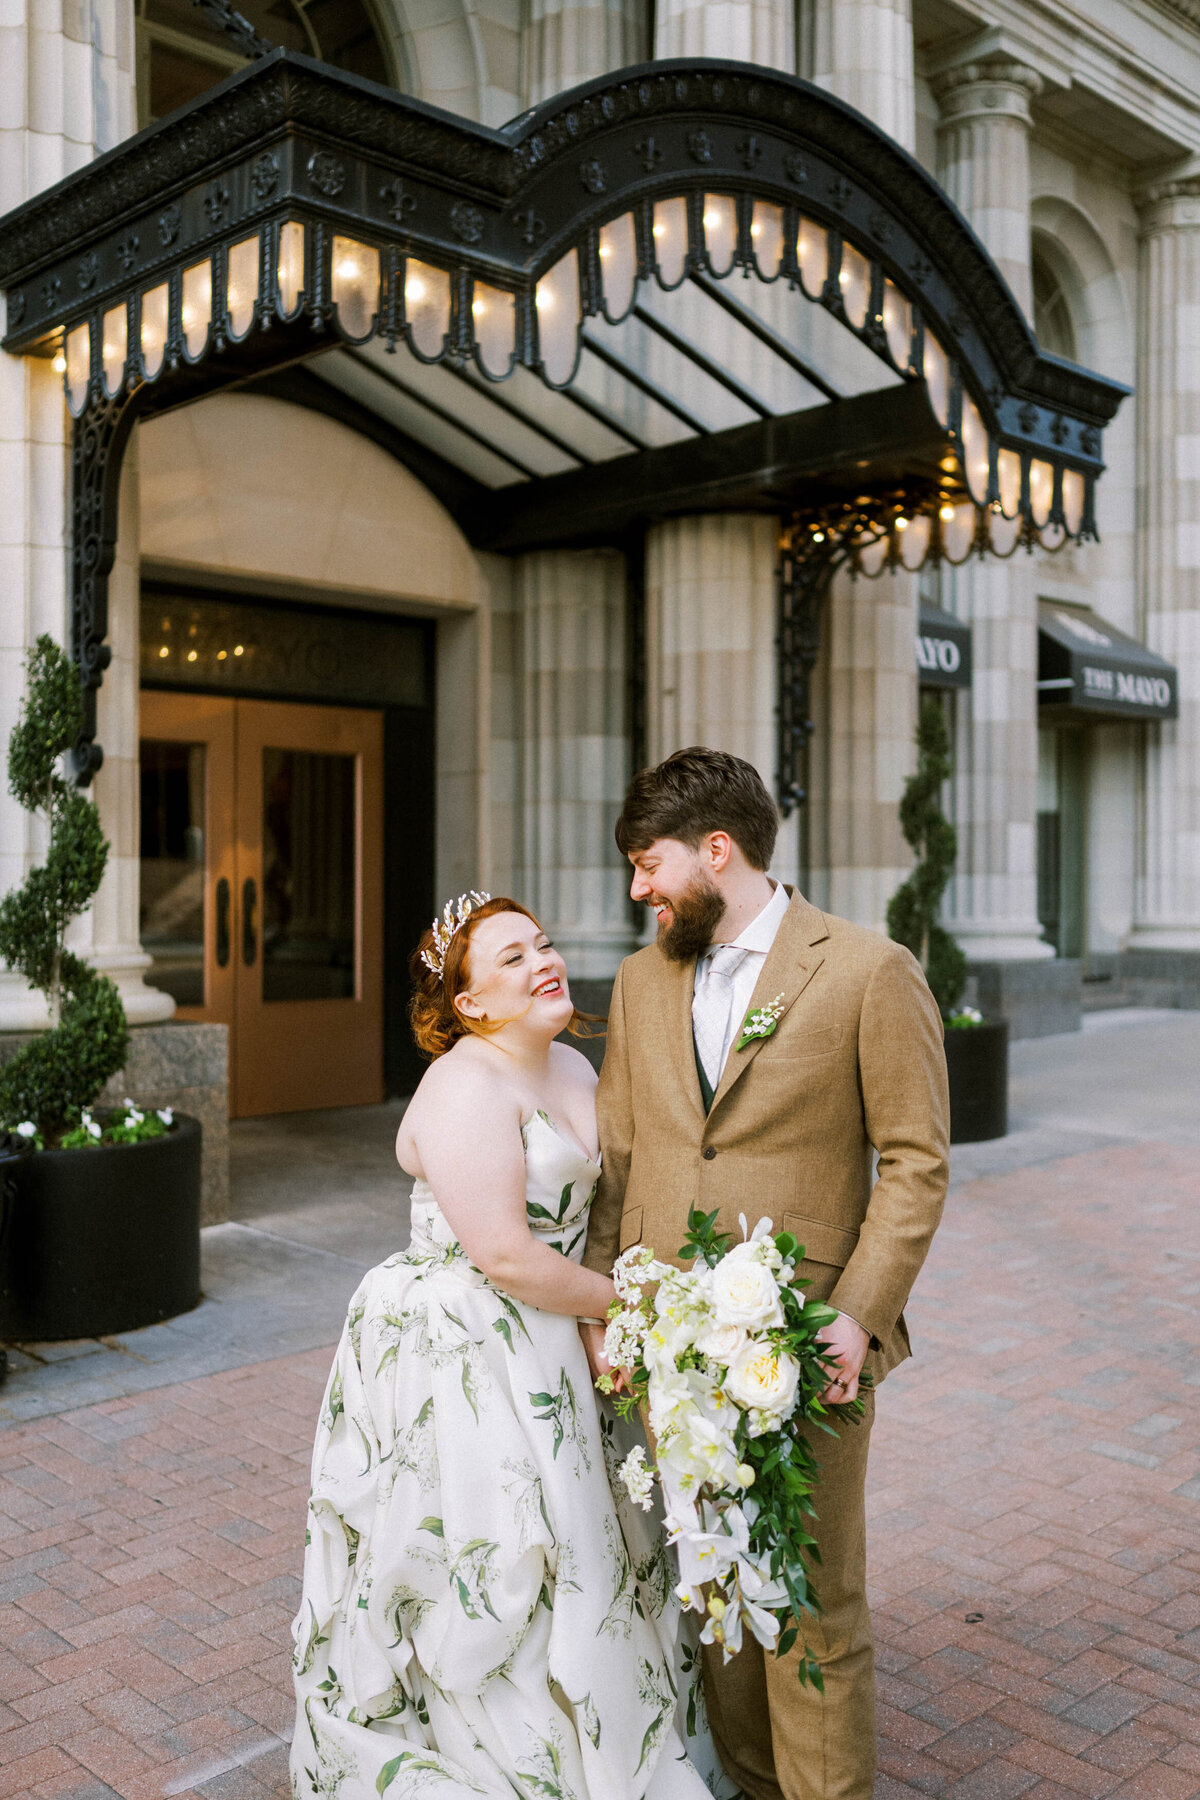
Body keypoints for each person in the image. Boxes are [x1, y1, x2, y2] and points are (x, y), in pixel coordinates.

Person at [290, 892, 732, 1799]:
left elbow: (601, 1213)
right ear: (471, 1005)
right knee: (502, 1550)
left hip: (559, 1325)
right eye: (513, 959)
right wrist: (631, 1305)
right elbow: (501, 1253)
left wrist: (604, 1309)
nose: (544, 962)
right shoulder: (465, 1084)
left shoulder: (572, 1065)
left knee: (595, 1539)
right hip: (467, 1341)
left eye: (545, 943)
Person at [581, 746, 950, 1800]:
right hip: (667, 1343)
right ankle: (752, 1784)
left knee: (813, 1603)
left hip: (806, 1344)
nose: (638, 888)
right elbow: (622, 1154)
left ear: (717, 850)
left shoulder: (868, 970)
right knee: (714, 1591)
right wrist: (610, 1307)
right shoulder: (642, 980)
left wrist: (859, 1316)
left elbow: (917, 1162)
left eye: (649, 865)